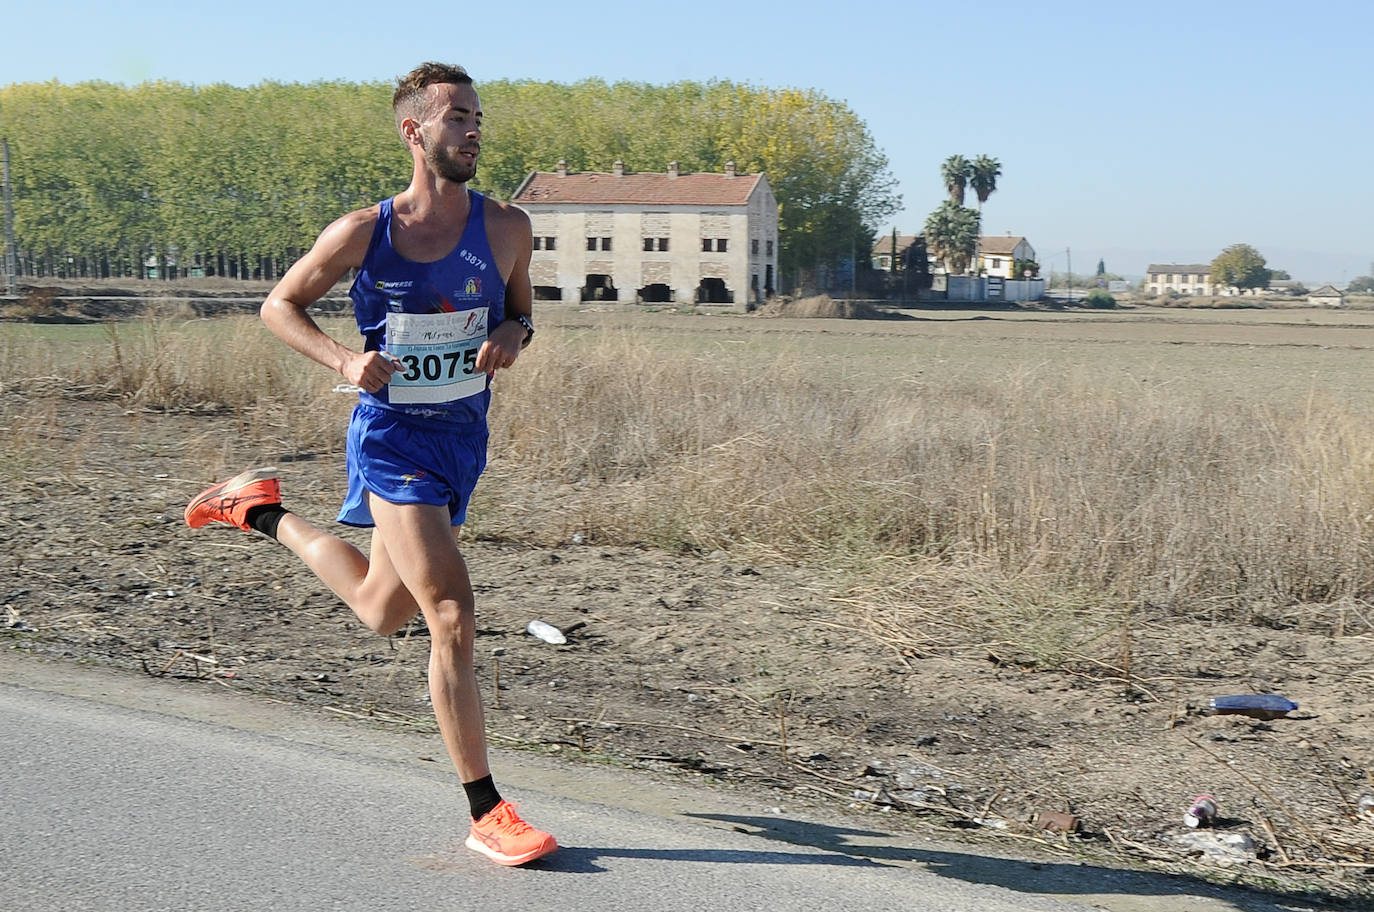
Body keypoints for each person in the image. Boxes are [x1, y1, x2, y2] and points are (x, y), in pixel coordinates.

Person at [184, 62, 555, 867]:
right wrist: (344, 362)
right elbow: (278, 306)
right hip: (391, 441)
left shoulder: (507, 227)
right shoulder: (363, 232)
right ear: (413, 132)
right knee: (450, 612)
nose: (473, 131)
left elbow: (524, 311)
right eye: (456, 117)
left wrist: (513, 337)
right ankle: (487, 810)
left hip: (461, 441)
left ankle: (256, 508)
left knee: (383, 610)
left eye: (477, 117)